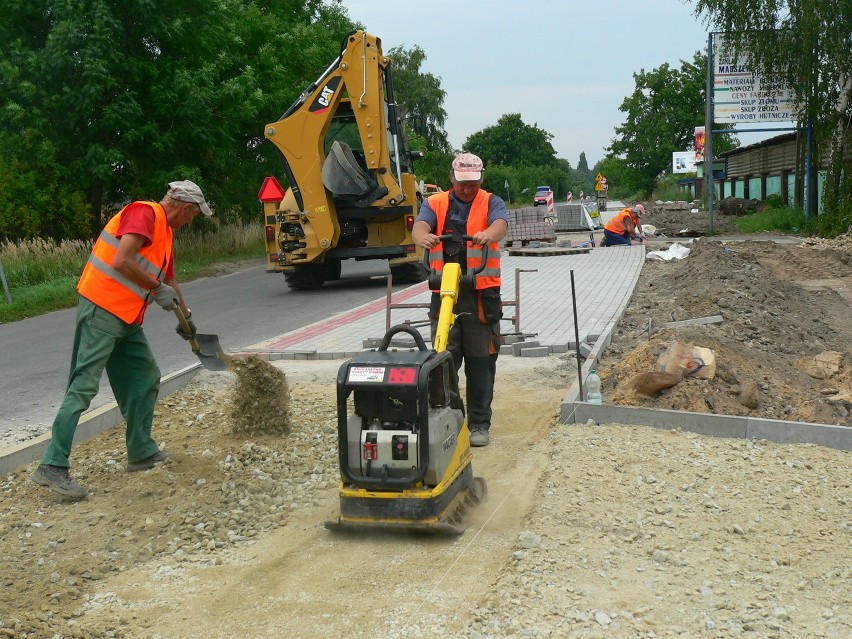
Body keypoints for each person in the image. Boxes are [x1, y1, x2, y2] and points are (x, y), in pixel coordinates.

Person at [32, 180, 213, 500]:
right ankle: (52, 464)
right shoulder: (144, 213)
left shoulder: (166, 234)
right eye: (194, 216)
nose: (191, 222)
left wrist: (187, 315)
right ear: (186, 208)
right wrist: (156, 288)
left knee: (145, 376)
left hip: (126, 318)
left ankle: (141, 451)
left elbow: (169, 278)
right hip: (101, 308)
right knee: (84, 386)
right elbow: (122, 259)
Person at [412, 153, 509, 447]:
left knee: (481, 361)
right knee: (443, 359)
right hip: (445, 294)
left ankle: (479, 422)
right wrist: (422, 237)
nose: (467, 189)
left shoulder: (492, 201)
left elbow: (500, 225)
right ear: (452, 179)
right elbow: (420, 226)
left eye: (473, 183)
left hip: (481, 295)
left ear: (481, 179)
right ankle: (449, 418)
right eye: (463, 183)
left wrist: (487, 234)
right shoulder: (435, 202)